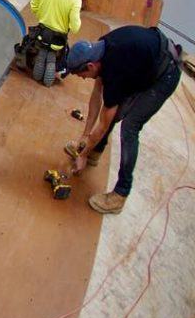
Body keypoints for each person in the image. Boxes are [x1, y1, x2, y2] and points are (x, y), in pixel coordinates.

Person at [63, 26, 182, 214]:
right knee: (114, 110)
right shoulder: (100, 50)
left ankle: (120, 194)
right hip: (144, 62)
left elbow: (104, 122)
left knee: (130, 127)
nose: (83, 79)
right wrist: (86, 139)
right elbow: (96, 96)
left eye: (81, 75)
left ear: (91, 66)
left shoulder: (114, 67)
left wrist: (82, 155)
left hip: (165, 73)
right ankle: (95, 151)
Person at [15, 0, 84, 72]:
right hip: (59, 41)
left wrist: (45, 15)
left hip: (40, 35)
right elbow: (75, 27)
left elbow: (34, 7)